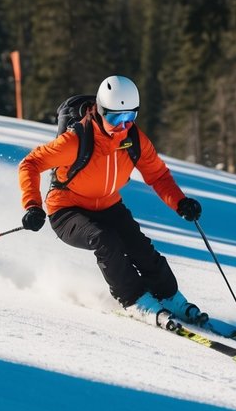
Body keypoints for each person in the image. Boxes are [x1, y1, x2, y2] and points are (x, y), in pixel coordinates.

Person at [18, 74, 203, 321]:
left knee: (140, 247)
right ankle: (136, 300)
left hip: (108, 205)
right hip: (67, 209)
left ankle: (169, 296)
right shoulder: (76, 140)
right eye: (116, 117)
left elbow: (158, 175)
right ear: (101, 111)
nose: (123, 126)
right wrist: (32, 205)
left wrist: (180, 202)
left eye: (130, 117)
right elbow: (31, 163)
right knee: (104, 239)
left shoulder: (135, 139)